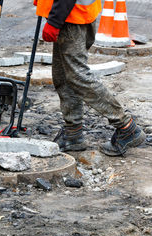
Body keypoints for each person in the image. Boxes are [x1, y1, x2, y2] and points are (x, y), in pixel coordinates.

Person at [33, 0, 145, 156]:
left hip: (70, 16)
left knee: (78, 77)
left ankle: (126, 126)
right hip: (72, 14)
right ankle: (73, 134)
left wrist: (54, 20)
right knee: (63, 77)